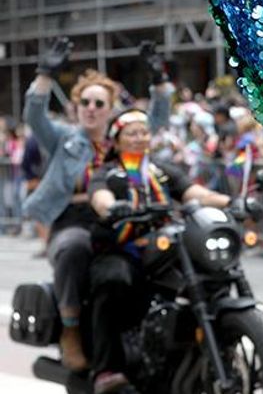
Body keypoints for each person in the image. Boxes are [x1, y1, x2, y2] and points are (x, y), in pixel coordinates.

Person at [22, 38, 171, 372]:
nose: (91, 108)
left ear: (111, 108)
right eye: (84, 102)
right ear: (76, 108)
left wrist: (160, 80)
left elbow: (158, 119)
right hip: (72, 222)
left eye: (99, 103)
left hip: (122, 222)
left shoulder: (123, 139)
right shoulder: (63, 138)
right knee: (74, 247)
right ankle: (71, 332)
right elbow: (34, 114)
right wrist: (45, 74)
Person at [87, 109, 241, 394]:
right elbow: (100, 195)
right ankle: (107, 368)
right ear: (117, 140)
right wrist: (111, 207)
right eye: (131, 133)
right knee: (113, 280)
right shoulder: (107, 172)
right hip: (122, 248)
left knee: (208, 270)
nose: (139, 138)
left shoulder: (161, 169)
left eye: (143, 132)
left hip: (163, 244)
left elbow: (195, 192)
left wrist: (232, 201)